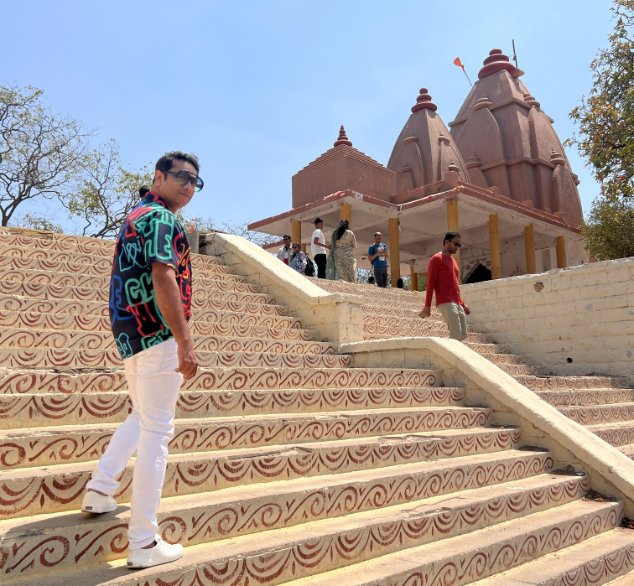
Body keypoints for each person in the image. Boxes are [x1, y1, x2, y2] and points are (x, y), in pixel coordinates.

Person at [81, 151, 202, 569]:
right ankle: (144, 541)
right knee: (157, 433)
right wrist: (184, 341)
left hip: (132, 333)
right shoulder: (162, 219)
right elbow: (163, 274)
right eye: (181, 177)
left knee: (142, 416)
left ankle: (100, 487)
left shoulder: (137, 214)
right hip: (156, 332)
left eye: (195, 181)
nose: (188, 185)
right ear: (159, 176)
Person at [419, 231, 471, 341]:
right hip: (445, 301)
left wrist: (462, 303)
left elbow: (455, 285)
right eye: (455, 244)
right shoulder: (436, 259)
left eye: (459, 245)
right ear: (447, 242)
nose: (457, 247)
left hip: (456, 302)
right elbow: (430, 284)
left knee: (463, 335)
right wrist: (427, 306)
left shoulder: (453, 261)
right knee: (455, 335)